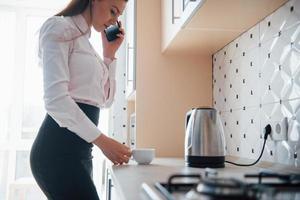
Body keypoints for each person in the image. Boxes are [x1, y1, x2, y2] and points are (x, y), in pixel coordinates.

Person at [29, 0, 131, 199]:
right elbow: (56, 100)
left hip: (81, 151)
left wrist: (109, 56)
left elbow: (105, 101)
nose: (114, 20)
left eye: (118, 15)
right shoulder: (59, 28)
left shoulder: (87, 46)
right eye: (112, 10)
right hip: (56, 151)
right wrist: (104, 142)